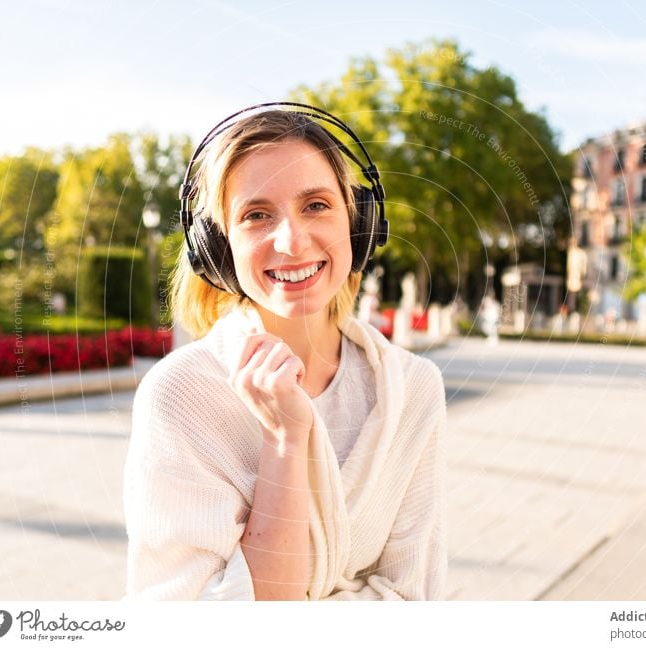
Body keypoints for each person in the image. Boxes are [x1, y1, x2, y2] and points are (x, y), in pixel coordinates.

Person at [123, 104, 448, 601]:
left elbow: (417, 599)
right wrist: (284, 439)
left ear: (358, 222)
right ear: (217, 247)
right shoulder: (179, 396)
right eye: (256, 215)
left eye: (316, 205)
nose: (292, 241)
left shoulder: (412, 388)